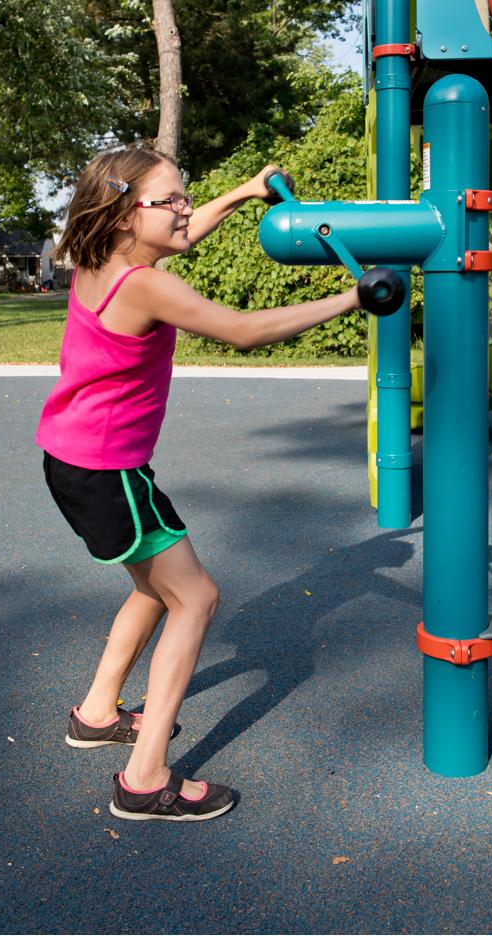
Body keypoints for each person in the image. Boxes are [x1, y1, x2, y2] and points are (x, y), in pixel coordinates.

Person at [37, 147, 360, 822]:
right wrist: (354, 297)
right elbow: (242, 332)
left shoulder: (103, 259)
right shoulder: (147, 285)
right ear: (129, 214)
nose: (187, 209)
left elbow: (178, 233)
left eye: (188, 197)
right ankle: (144, 779)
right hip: (108, 471)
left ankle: (97, 713)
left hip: (75, 458)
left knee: (154, 588)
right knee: (196, 598)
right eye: (173, 200)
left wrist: (242, 192)